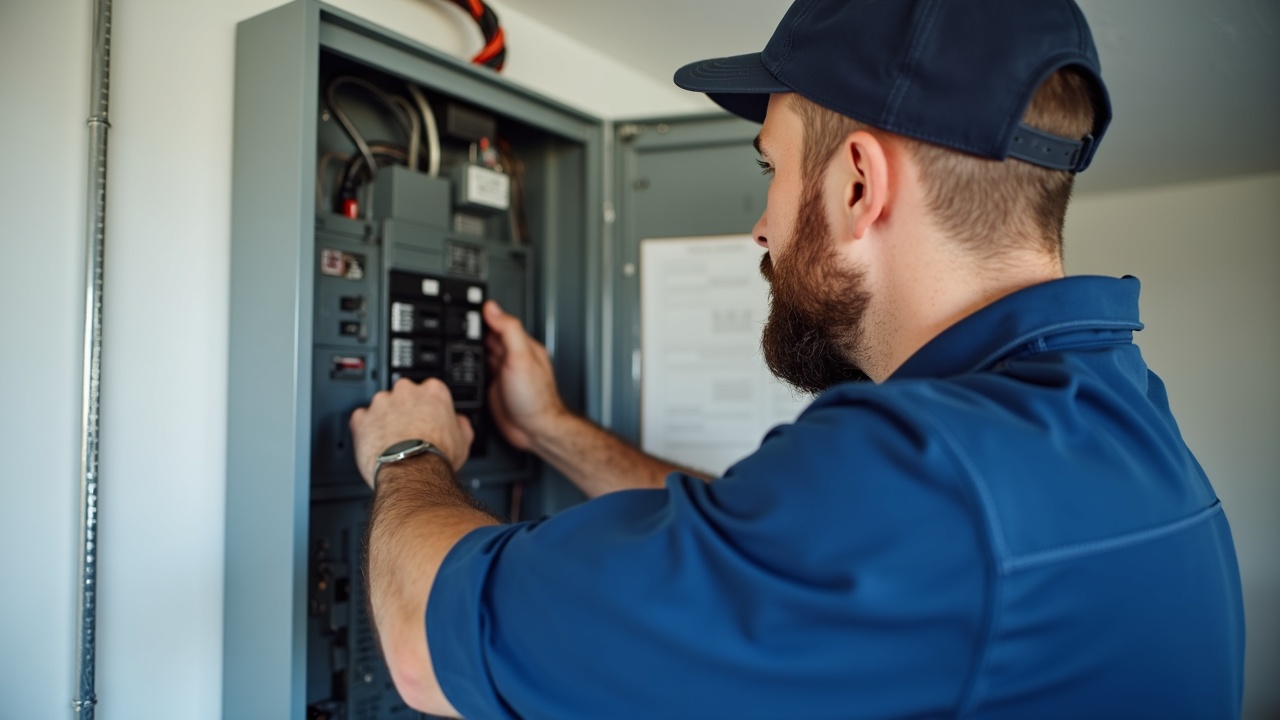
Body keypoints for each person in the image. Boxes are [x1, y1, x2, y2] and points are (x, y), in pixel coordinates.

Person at [350, 0, 1246, 717]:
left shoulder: (922, 472)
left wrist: (409, 456)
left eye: (771, 170)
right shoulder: (1121, 412)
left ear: (859, 184)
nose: (761, 226)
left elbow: (430, 652)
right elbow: (753, 549)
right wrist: (554, 433)